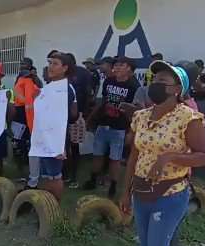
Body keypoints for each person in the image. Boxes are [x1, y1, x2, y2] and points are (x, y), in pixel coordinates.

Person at [113, 60, 205, 246]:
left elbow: (204, 156)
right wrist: (126, 189)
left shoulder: (188, 118)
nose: (156, 84)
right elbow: (134, 154)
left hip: (170, 193)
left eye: (163, 81)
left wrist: (170, 157)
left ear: (178, 89)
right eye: (154, 79)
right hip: (142, 190)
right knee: (144, 242)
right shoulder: (142, 116)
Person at [83, 56, 139, 198]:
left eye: (122, 65)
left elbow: (136, 112)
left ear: (130, 69)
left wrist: (130, 131)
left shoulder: (134, 86)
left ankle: (113, 185)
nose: (117, 67)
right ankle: (93, 179)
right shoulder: (108, 81)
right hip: (103, 124)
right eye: (116, 65)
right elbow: (103, 102)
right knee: (97, 154)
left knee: (115, 158)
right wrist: (91, 119)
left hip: (120, 128)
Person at [36, 52, 78, 201]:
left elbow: (70, 114)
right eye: (50, 63)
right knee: (46, 174)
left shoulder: (66, 89)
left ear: (65, 68)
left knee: (54, 175)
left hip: (55, 138)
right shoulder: (49, 87)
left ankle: (54, 209)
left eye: (55, 64)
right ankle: (46, 206)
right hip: (43, 136)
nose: (50, 67)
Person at [64, 53, 93, 189]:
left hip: (77, 114)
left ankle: (74, 176)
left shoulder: (83, 73)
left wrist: (85, 114)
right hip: (62, 115)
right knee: (63, 146)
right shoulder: (63, 74)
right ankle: (64, 174)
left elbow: (88, 94)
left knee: (74, 146)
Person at [13, 57, 40, 181]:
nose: (22, 65)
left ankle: (31, 171)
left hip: (29, 114)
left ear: (30, 65)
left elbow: (39, 92)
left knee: (30, 143)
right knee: (18, 142)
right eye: (21, 63)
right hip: (19, 115)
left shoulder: (34, 78)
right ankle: (20, 171)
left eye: (24, 64)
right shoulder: (19, 77)